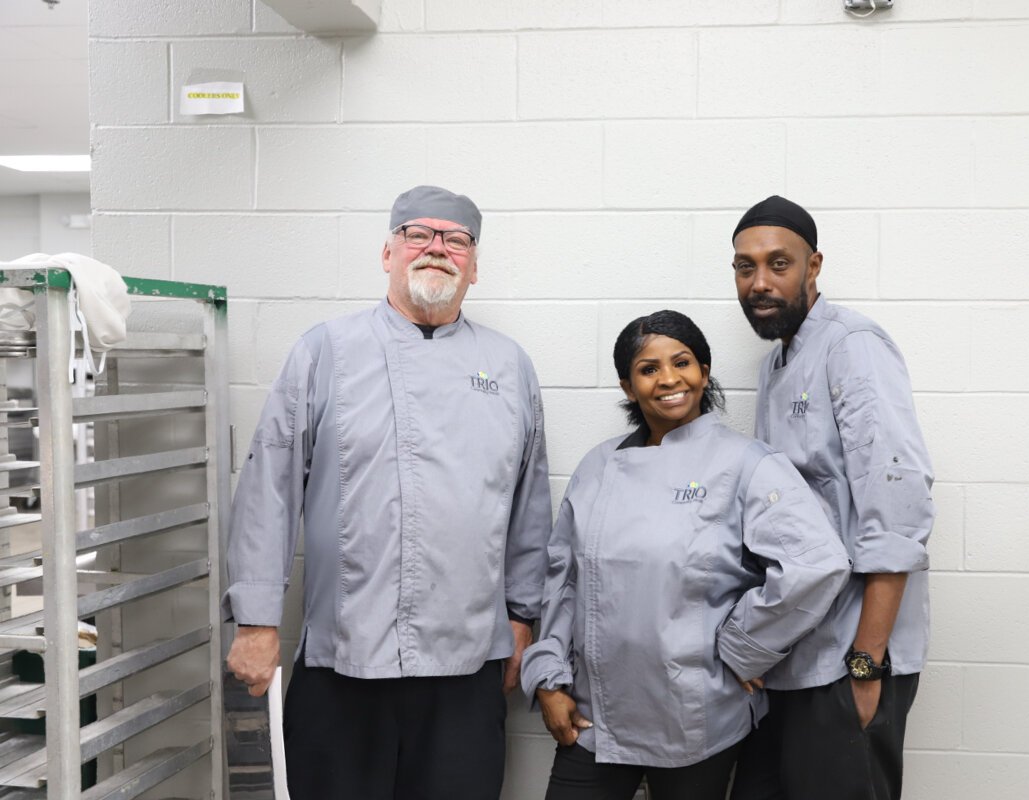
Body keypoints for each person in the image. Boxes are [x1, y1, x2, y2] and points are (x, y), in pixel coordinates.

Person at [222, 185, 552, 800]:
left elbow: (529, 502)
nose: (437, 249)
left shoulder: (509, 366)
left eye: (456, 240)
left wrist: (522, 614)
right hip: (345, 660)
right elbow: (269, 486)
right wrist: (257, 618)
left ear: (473, 266)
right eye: (418, 235)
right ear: (388, 252)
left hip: (467, 662)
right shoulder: (326, 351)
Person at [522, 309, 850, 800]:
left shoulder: (746, 463)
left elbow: (817, 563)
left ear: (704, 372)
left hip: (696, 719)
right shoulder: (597, 467)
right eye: (648, 369)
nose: (669, 379)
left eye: (683, 362)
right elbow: (563, 580)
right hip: (594, 717)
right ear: (628, 387)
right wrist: (548, 679)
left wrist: (743, 649)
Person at [727, 196, 935, 800]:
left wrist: (866, 666)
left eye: (778, 264)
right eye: (745, 267)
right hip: (799, 655)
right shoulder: (776, 363)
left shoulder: (853, 345)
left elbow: (896, 506)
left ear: (813, 266)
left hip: (852, 658)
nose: (760, 282)